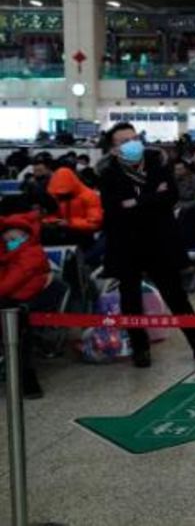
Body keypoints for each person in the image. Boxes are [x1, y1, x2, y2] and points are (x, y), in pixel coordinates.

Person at [98, 123, 195, 368]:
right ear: (114, 149)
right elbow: (114, 209)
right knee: (131, 299)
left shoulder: (158, 163)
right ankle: (140, 349)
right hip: (127, 243)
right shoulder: (108, 174)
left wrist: (135, 203)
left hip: (160, 241)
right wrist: (151, 198)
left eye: (134, 137)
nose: (131, 143)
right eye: (123, 141)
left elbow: (169, 198)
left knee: (177, 296)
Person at [0, 210, 55, 398]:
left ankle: (28, 381)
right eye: (7, 238)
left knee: (19, 334)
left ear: (25, 236)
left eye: (14, 237)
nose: (10, 241)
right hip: (12, 301)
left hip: (21, 302)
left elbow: (12, 282)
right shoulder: (9, 256)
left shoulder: (30, 254)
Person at [43, 166, 103, 248]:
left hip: (83, 239)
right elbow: (50, 215)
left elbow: (94, 223)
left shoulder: (90, 196)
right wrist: (52, 222)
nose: (62, 195)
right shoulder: (56, 196)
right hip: (59, 237)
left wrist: (70, 223)